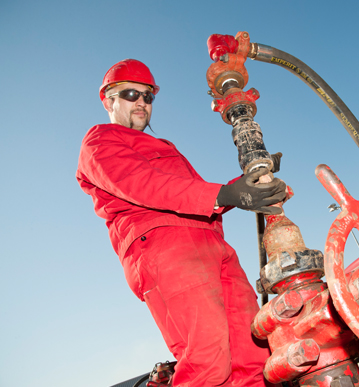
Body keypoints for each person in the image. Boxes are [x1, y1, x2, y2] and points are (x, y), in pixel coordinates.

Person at [76, 59, 287, 387]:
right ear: (108, 100)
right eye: (132, 94)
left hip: (212, 246)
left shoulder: (165, 148)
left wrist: (248, 183)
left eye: (148, 97)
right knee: (208, 362)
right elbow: (143, 184)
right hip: (166, 251)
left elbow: (200, 199)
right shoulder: (99, 141)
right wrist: (227, 193)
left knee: (253, 359)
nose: (142, 103)